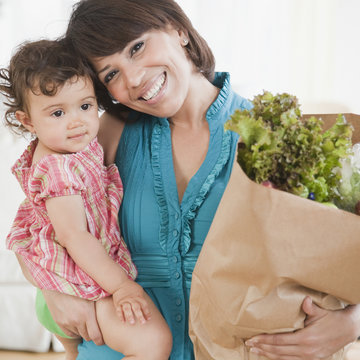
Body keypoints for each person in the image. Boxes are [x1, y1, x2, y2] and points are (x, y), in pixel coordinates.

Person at [14, 0, 360, 359]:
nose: (133, 79)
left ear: (178, 29)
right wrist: (52, 295)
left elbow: (340, 253)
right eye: (110, 75)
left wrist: (352, 322)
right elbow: (34, 228)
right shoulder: (105, 135)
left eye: (137, 47)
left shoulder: (273, 136)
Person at [0, 39, 172, 360]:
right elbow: (74, 236)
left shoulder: (73, 142)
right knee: (154, 343)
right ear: (28, 121)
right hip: (74, 280)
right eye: (58, 112)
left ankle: (70, 352)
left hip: (74, 271)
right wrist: (122, 288)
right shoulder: (58, 169)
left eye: (85, 105)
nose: (77, 120)